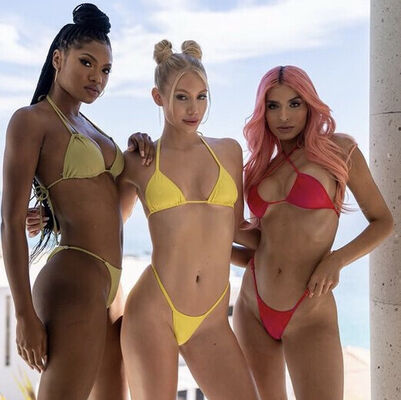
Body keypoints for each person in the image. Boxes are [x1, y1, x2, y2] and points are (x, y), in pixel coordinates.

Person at [1, 4, 152, 399]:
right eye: (86, 62)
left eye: (105, 70)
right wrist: (23, 315)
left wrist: (135, 156)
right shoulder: (31, 121)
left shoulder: (91, 127)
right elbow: (10, 222)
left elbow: (116, 209)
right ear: (58, 59)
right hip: (74, 278)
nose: (96, 77)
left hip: (111, 286)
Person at [232, 65, 394, 399]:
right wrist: (213, 246)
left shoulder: (340, 150)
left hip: (309, 310)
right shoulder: (260, 167)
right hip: (252, 305)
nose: (284, 116)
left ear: (310, 105)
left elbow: (383, 221)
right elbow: (264, 241)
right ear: (263, 112)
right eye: (273, 106)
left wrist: (336, 260)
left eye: (295, 103)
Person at [118, 39, 258, 400]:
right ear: (158, 97)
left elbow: (238, 230)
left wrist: (293, 250)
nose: (194, 108)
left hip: (211, 318)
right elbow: (107, 225)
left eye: (201, 96)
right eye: (181, 97)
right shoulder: (139, 161)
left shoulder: (228, 152)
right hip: (155, 311)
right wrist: (48, 218)